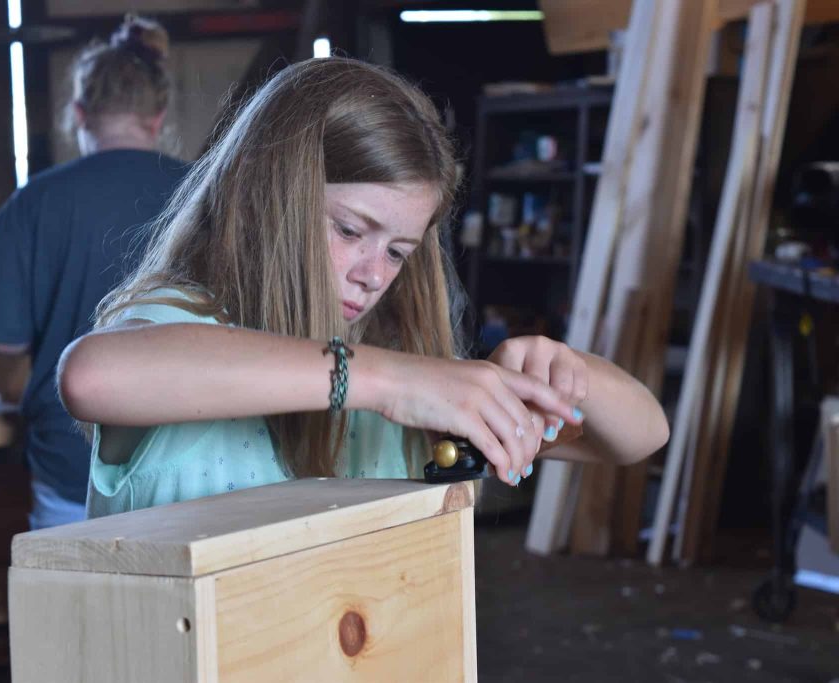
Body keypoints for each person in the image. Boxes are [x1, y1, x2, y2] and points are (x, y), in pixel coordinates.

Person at [56, 57, 670, 518]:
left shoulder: (411, 383)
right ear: (270, 201)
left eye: (398, 251)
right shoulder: (177, 323)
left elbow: (642, 434)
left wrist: (561, 369)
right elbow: (93, 377)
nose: (373, 274)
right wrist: (388, 380)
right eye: (351, 230)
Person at [0, 15, 188, 529]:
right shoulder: (203, 196)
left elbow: (6, 370)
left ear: (79, 115)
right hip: (190, 470)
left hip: (71, 473)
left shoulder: (31, 206)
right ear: (158, 117)